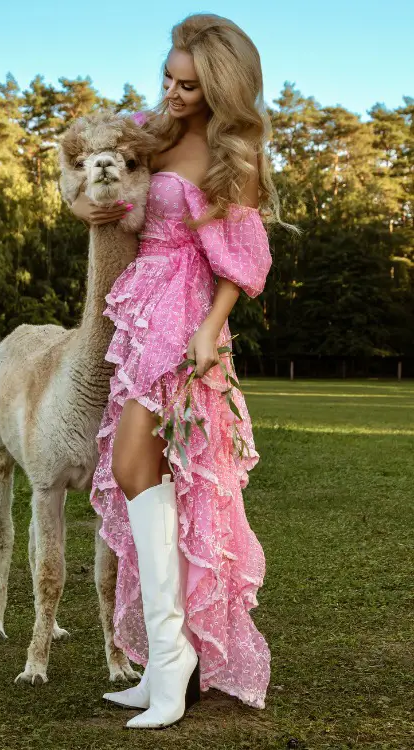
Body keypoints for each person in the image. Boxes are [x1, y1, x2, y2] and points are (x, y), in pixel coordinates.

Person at [70, 13, 293, 730]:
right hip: (138, 301)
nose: (171, 92)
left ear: (219, 88)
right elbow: (92, 177)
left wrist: (207, 329)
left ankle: (174, 668)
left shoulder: (232, 159)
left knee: (142, 462)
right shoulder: (150, 131)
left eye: (187, 85)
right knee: (138, 470)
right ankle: (169, 661)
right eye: (167, 76)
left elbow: (245, 262)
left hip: (186, 311)